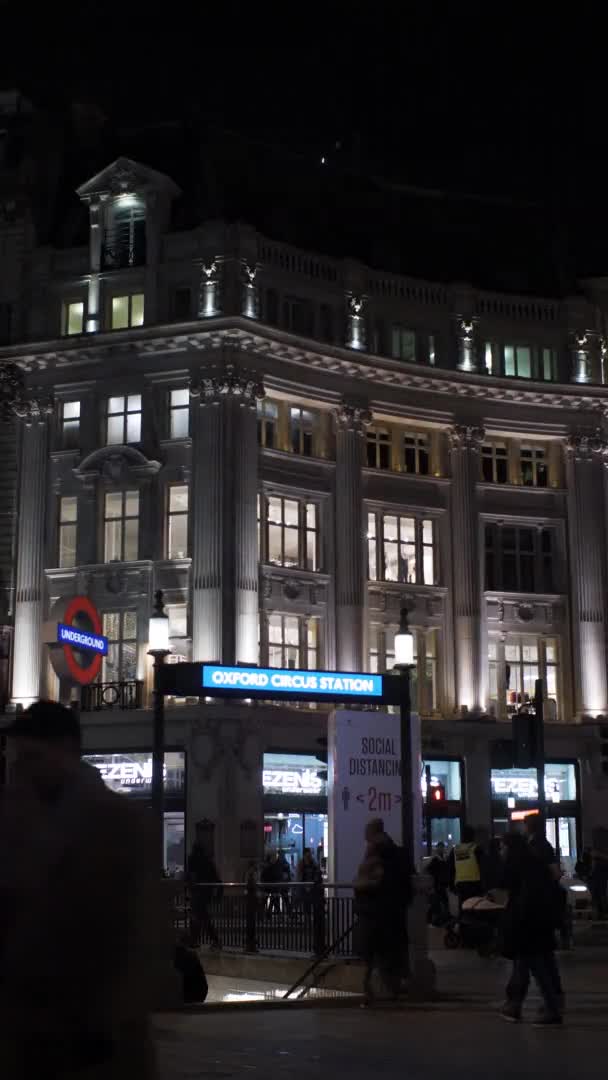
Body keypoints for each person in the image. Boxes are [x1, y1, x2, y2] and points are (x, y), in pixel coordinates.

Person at [0, 700, 174, 1077]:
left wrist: (109, 1015)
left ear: (64, 750)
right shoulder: (17, 818)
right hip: (29, 1028)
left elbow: (142, 935)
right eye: (17, 758)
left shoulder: (120, 824)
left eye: (31, 756)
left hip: (95, 1037)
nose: (20, 768)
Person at [500, 832, 564, 1026]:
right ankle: (515, 1005)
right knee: (528, 964)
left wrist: (518, 919)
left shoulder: (522, 867)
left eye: (503, 847)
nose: (501, 852)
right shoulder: (533, 863)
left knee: (536, 965)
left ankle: (550, 1008)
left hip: (529, 924)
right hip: (538, 923)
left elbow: (526, 897)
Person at [354, 818, 413, 1007]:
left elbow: (367, 882)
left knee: (371, 955)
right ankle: (391, 990)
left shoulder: (375, 854)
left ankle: (373, 993)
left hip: (375, 913)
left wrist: (361, 888)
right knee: (390, 954)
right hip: (393, 913)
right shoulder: (399, 854)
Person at [187, 825, 223, 949]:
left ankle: (197, 940)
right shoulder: (207, 860)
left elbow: (190, 876)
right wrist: (218, 893)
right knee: (202, 917)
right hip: (206, 892)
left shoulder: (192, 859)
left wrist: (190, 887)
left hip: (197, 892)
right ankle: (200, 940)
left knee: (199, 917)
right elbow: (216, 877)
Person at [449, 825, 485, 908]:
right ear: (473, 836)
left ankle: (462, 920)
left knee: (463, 906)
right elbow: (483, 867)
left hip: (460, 883)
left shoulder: (455, 850)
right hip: (475, 883)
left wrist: (451, 885)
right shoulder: (476, 849)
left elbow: (451, 869)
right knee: (475, 906)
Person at [427, 842, 450, 925]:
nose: (442, 849)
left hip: (441, 884)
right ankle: (437, 919)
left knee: (440, 901)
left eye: (442, 847)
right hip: (438, 884)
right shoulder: (436, 859)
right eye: (440, 847)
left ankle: (437, 918)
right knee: (440, 902)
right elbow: (430, 871)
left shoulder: (442, 859)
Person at [297, 847, 320, 915]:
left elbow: (317, 872)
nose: (309, 855)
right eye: (308, 853)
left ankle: (309, 919)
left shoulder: (312, 862)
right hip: (305, 888)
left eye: (309, 854)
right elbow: (299, 875)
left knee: (310, 905)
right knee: (306, 905)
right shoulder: (302, 863)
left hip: (311, 888)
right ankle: (307, 919)